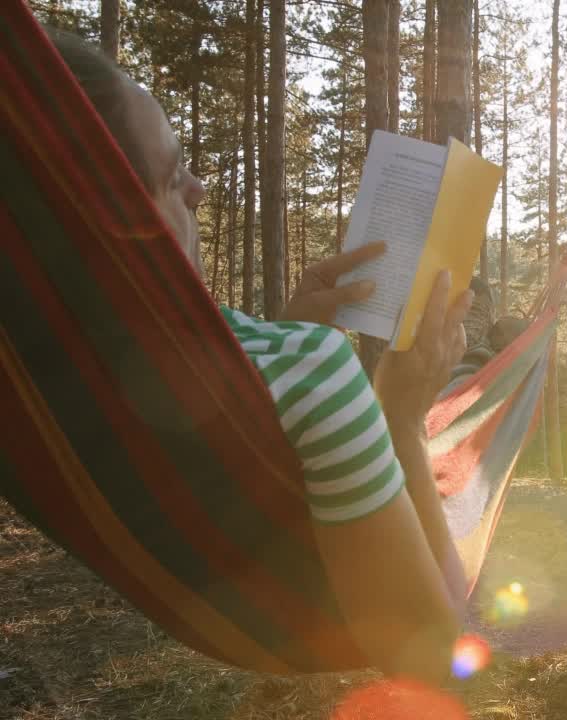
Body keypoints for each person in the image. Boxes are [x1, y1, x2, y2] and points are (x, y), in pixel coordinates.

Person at [49, 28, 468, 682]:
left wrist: (279, 337)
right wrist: (402, 419)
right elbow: (437, 658)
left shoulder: (44, 362)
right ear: (111, 221)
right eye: (168, 174)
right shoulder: (318, 371)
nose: (198, 189)